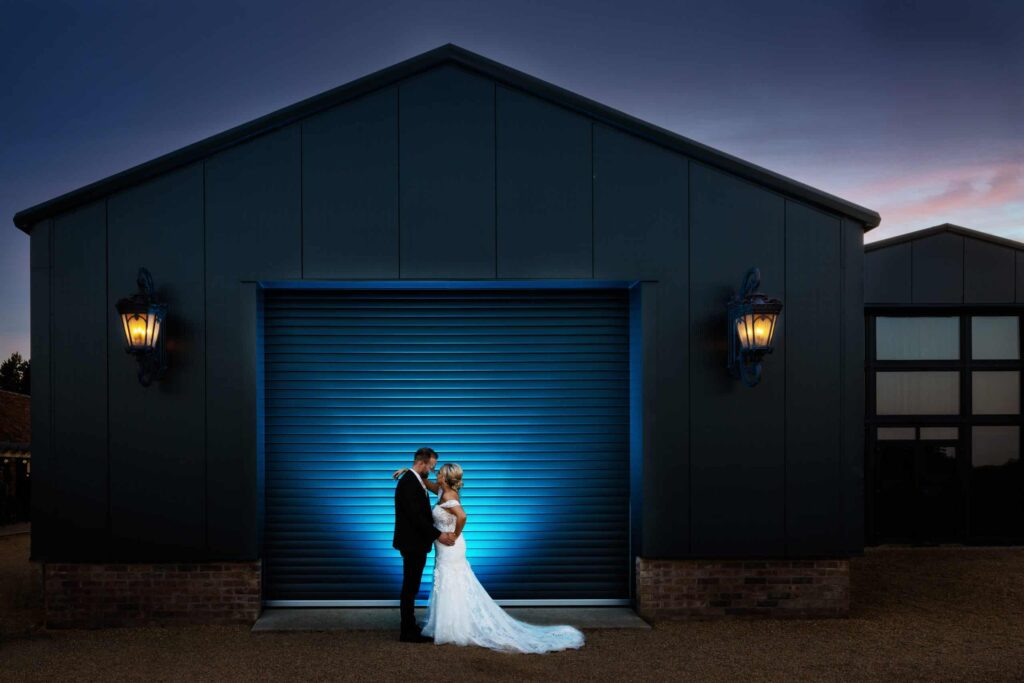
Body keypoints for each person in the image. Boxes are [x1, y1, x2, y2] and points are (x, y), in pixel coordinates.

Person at [392, 461, 585, 654]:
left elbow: (462, 516)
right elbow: (422, 481)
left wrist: (456, 534)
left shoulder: (449, 495)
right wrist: (408, 471)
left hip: (451, 547)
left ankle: (455, 627)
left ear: (445, 478)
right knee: (447, 582)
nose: (435, 474)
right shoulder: (441, 490)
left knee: (452, 581)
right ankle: (449, 624)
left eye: (439, 472)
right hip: (443, 548)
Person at [393, 447, 456, 642]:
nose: (432, 470)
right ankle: (407, 631)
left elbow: (426, 488)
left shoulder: (415, 479)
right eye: (431, 466)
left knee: (411, 585)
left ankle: (410, 626)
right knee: (410, 587)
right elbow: (417, 518)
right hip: (412, 543)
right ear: (422, 463)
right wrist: (439, 535)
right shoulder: (409, 484)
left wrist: (406, 469)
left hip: (416, 543)